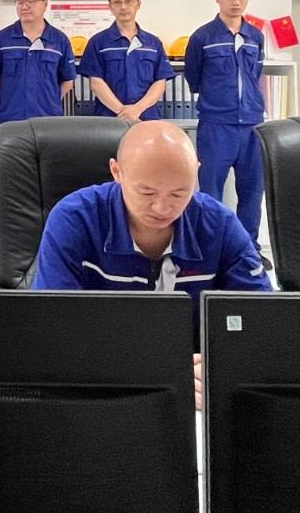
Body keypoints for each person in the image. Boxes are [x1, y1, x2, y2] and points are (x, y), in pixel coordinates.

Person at [32, 120, 271, 407]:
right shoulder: (74, 221)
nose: (162, 208)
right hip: (100, 390)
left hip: (192, 394)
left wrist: (218, 368)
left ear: (196, 172)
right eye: (147, 193)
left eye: (179, 193)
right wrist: (163, 370)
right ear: (116, 172)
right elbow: (55, 331)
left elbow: (263, 321)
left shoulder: (219, 225)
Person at [184, 0, 270, 262]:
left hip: (252, 125)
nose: (236, 2)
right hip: (216, 124)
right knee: (210, 191)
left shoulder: (255, 36)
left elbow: (254, 74)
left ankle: (248, 250)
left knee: (252, 191)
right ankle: (212, 249)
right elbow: (194, 79)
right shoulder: (202, 37)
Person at [0, 0, 76, 123]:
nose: (24, 7)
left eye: (31, 1)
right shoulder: (1, 39)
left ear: (44, 4)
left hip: (48, 119)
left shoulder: (59, 40)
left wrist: (49, 101)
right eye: (19, 2)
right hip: (10, 118)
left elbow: (68, 80)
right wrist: (8, 100)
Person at [81, 0, 175, 120]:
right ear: (110, 7)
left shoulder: (153, 43)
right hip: (110, 118)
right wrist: (123, 112)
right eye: (117, 2)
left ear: (138, 4)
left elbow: (160, 82)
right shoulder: (98, 42)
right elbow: (96, 82)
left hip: (146, 117)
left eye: (129, 1)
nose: (123, 7)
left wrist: (138, 109)